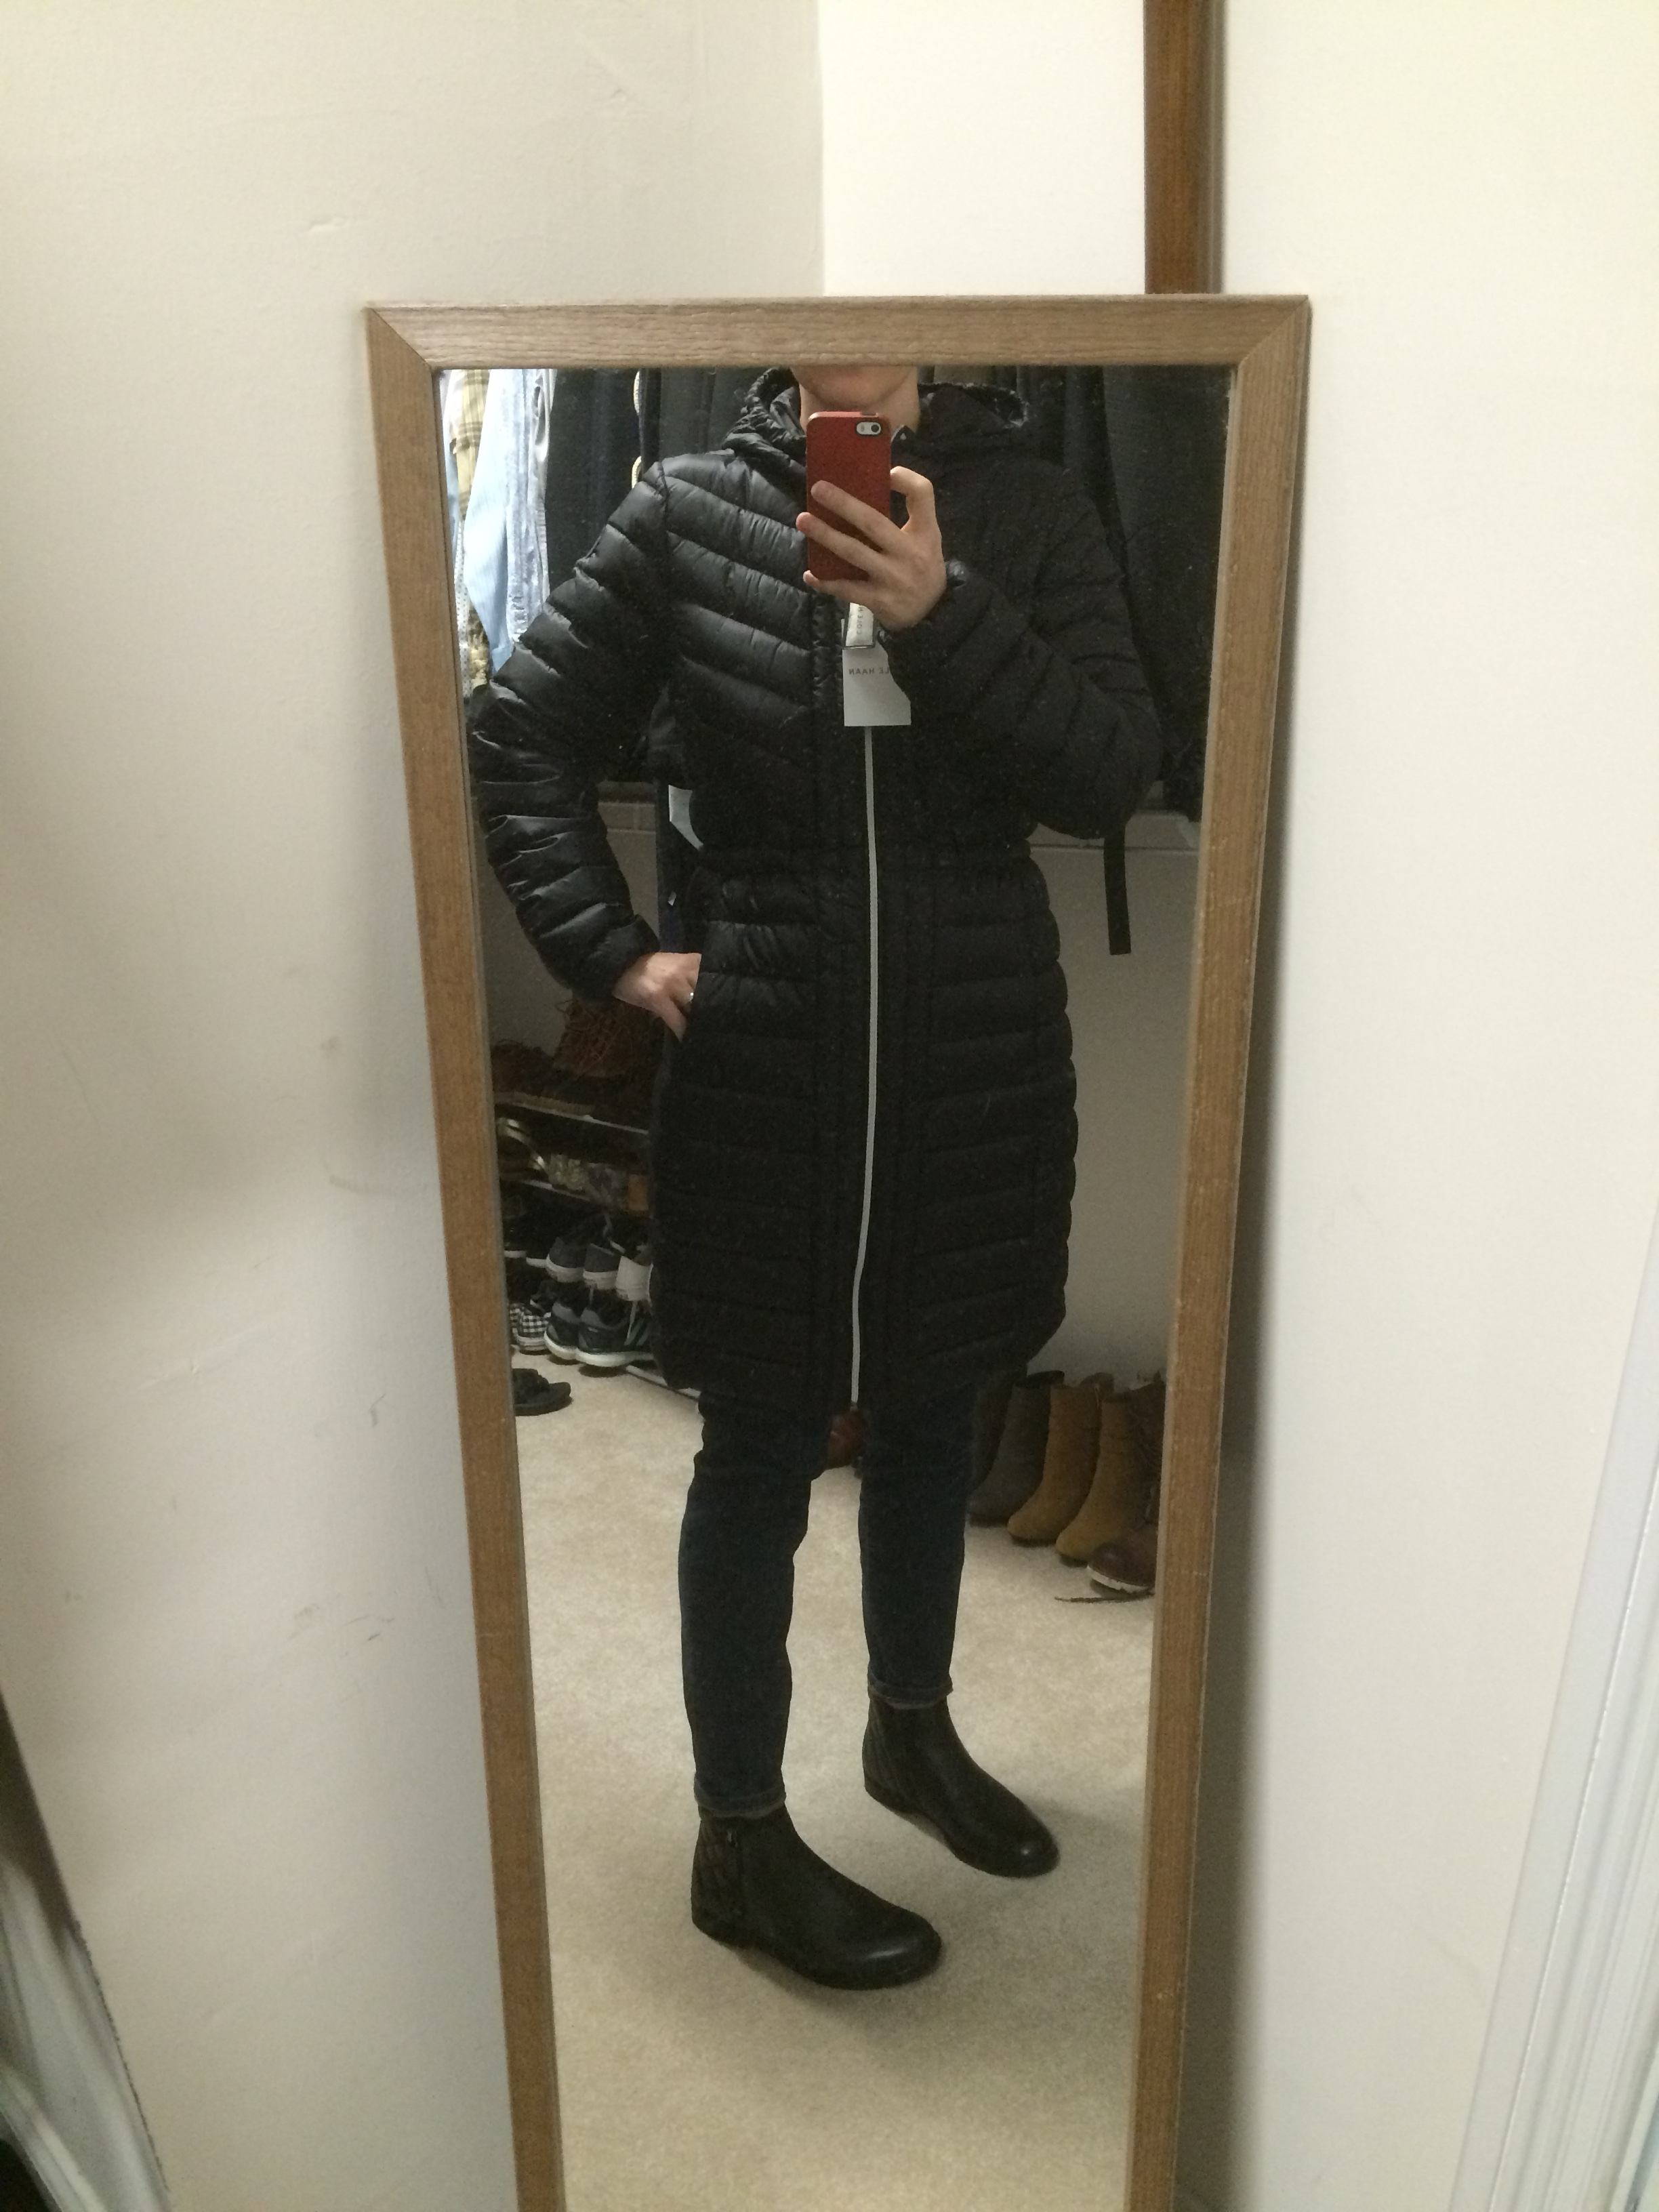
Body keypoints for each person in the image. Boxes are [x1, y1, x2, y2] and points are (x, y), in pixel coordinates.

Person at [466, 362, 1160, 1988]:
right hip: (766, 1044)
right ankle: (739, 1837)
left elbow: (1111, 770)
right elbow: (519, 738)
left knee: (932, 1411)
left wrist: (940, 610)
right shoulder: (687, 510)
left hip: (976, 1035)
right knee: (760, 1445)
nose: (861, 355)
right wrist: (611, 954)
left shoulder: (1031, 509)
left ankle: (910, 1734)